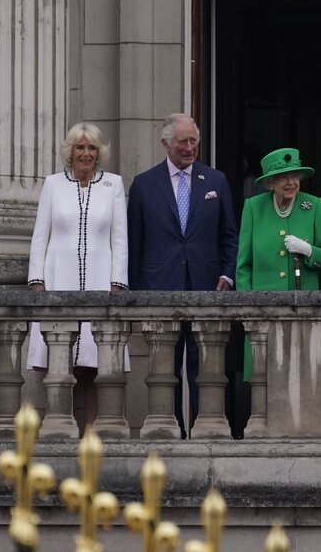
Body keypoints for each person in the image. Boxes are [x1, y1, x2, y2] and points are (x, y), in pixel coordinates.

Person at [127, 113, 238, 438]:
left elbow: (229, 235)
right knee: (165, 369)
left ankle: (204, 431)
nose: (190, 148)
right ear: (166, 144)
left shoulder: (215, 181)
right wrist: (136, 294)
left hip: (206, 288)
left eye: (193, 141)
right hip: (160, 289)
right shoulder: (145, 184)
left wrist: (228, 275)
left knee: (204, 368)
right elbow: (135, 242)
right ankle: (171, 432)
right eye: (183, 142)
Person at [27, 122, 129, 428]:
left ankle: (93, 431)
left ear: (99, 153)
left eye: (92, 148)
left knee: (95, 360)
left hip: (100, 279)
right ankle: (61, 427)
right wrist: (36, 280)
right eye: (80, 147)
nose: (86, 153)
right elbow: (40, 236)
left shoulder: (113, 184)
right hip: (59, 277)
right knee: (60, 357)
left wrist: (117, 282)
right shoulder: (53, 184)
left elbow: (119, 238)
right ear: (70, 151)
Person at [236, 148, 321, 293]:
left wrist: (309, 251)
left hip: (303, 301)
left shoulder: (314, 205)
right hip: (263, 302)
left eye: (295, 176)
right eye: (284, 177)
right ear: (271, 181)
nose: (291, 183)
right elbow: (243, 265)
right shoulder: (254, 207)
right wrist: (245, 302)